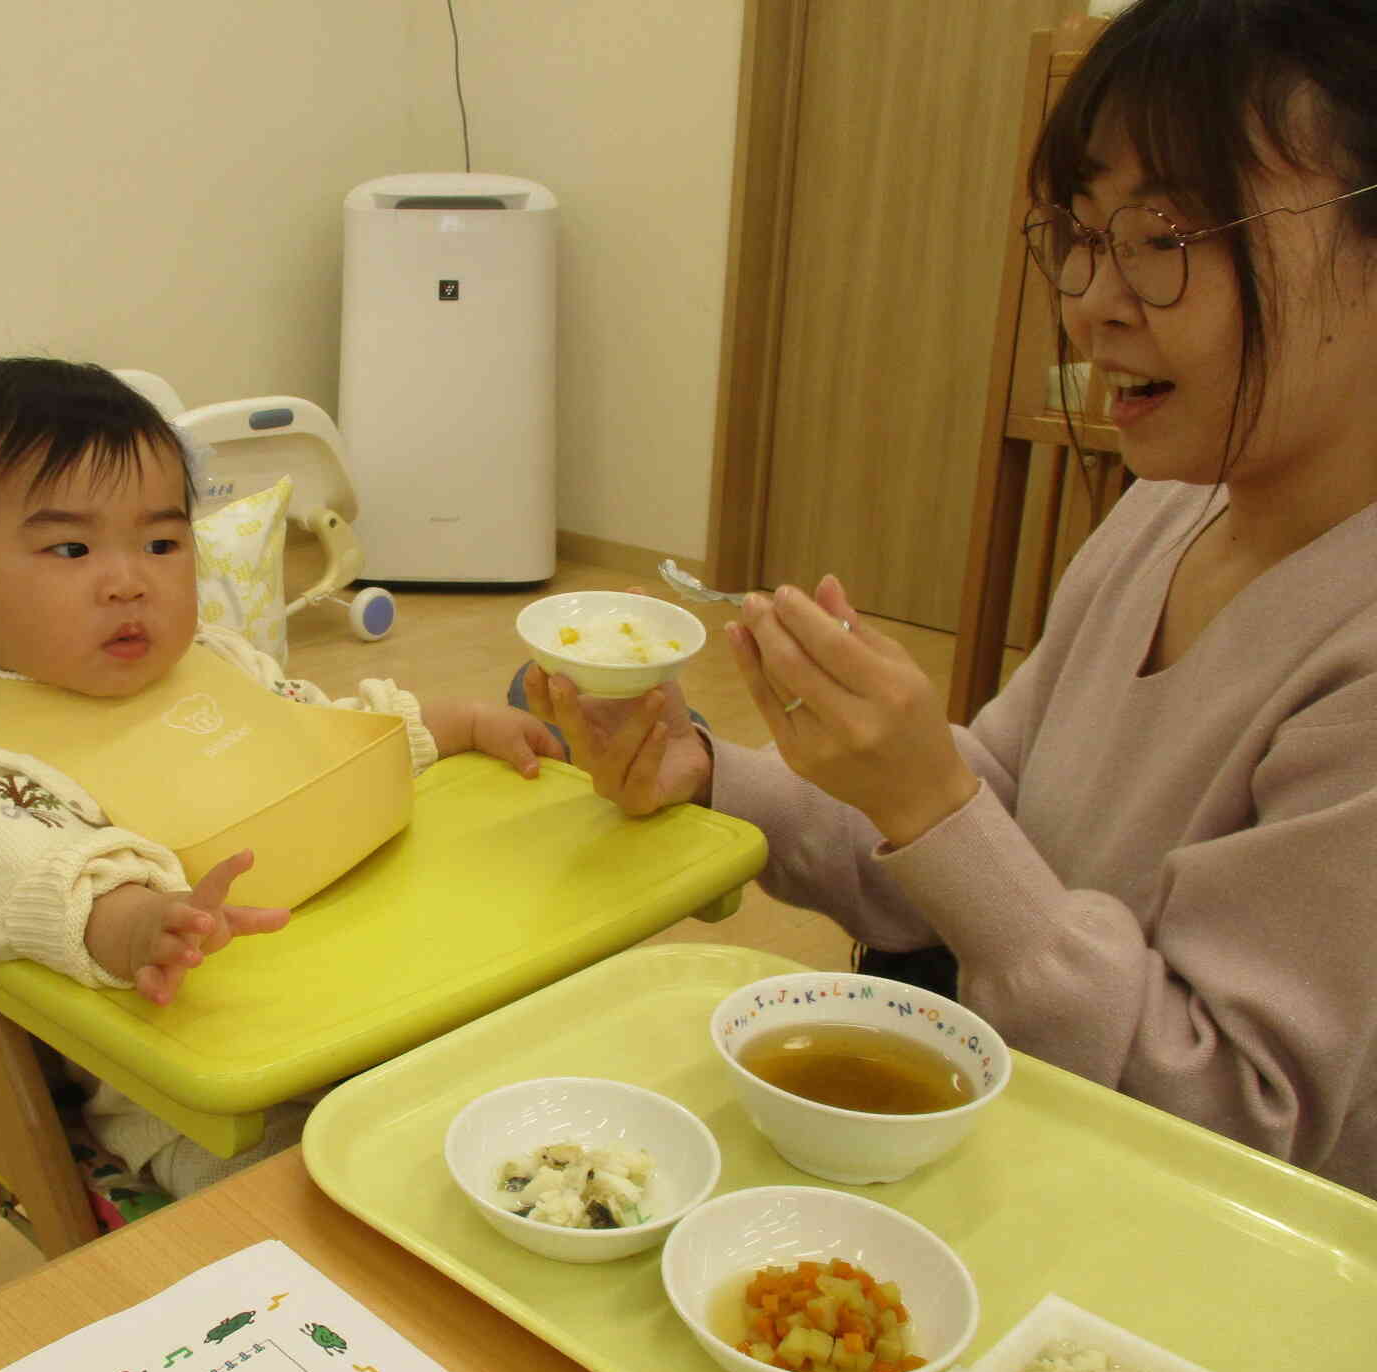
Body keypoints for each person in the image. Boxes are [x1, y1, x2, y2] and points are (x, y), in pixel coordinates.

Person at [525, 0, 1377, 1198]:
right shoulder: (1166, 515)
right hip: (1021, 1146)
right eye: (1078, 234)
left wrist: (928, 798)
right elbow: (989, 848)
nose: (1090, 300)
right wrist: (718, 774)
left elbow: (1231, 1123)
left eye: (1167, 230)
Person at [0, 356, 560, 1196]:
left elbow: (324, 740)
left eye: (161, 543)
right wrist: (136, 925)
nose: (129, 582)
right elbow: (24, 877)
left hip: (387, 1005)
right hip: (214, 1096)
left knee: (536, 1079)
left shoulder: (221, 663)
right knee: (333, 1201)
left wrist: (461, 723)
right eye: (70, 548)